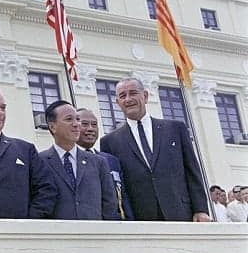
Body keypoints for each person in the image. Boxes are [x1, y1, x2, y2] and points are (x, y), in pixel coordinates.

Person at [100, 77, 210, 222]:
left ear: (145, 96)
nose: (128, 99)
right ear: (118, 103)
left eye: (133, 93)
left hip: (181, 213)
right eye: (122, 96)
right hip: (141, 218)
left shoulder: (175, 129)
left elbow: (192, 172)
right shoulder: (109, 141)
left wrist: (201, 209)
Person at [0, 85, 57, 219]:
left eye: (3, 108)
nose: (0, 112)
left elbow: (46, 189)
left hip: (20, 234)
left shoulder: (25, 150)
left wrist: (30, 221)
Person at [39, 101, 118, 220]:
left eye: (77, 119)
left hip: (94, 234)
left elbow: (109, 205)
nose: (76, 124)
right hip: (57, 234)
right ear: (52, 127)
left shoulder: (98, 162)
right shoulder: (40, 162)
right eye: (69, 119)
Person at [76, 108, 134, 220]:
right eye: (84, 124)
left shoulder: (111, 160)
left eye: (94, 124)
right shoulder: (68, 160)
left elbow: (123, 197)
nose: (90, 129)